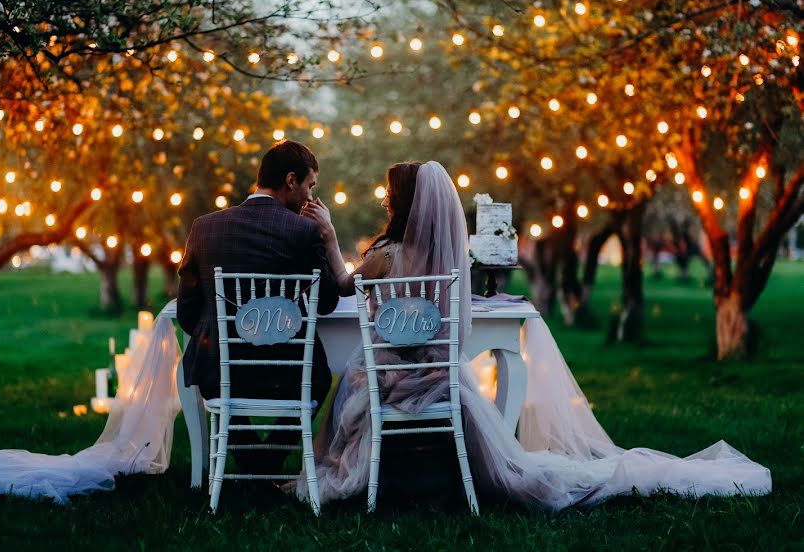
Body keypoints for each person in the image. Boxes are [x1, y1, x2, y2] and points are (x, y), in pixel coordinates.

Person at [298, 160, 771, 512]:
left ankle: (350, 477)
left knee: (352, 386)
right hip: (439, 377)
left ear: (401, 202)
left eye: (388, 193)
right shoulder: (446, 260)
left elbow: (343, 285)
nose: (383, 198)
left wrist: (329, 235)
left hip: (394, 379)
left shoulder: (385, 256)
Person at [177, 139, 340, 476]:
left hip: (219, 368)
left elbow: (187, 313)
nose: (310, 197)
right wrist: (327, 237)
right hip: (284, 371)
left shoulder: (203, 227)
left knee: (210, 369)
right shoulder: (305, 231)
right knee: (320, 378)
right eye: (310, 186)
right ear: (291, 180)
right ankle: (267, 462)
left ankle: (251, 464)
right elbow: (326, 303)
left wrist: (229, 337)